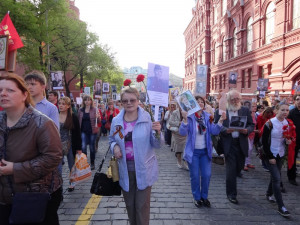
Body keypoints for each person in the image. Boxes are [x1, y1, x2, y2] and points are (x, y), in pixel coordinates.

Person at [0, 72, 63, 225]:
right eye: (0, 90)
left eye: (10, 90)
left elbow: (53, 157)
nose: (3, 93)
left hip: (35, 197)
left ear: (24, 95)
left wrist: (16, 169)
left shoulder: (42, 123)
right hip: (4, 196)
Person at [109, 87, 161, 225]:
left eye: (132, 100)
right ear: (121, 102)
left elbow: (156, 145)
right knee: (130, 206)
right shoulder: (116, 121)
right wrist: (115, 147)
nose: (129, 103)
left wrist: (158, 133)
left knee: (141, 207)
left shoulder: (148, 118)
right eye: (125, 100)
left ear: (138, 101)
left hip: (144, 169)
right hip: (125, 170)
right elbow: (111, 140)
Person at [180, 96, 226, 208]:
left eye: (202, 102)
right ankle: (197, 197)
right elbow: (182, 132)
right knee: (195, 176)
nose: (200, 103)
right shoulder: (189, 116)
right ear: (193, 104)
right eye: (197, 102)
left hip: (205, 152)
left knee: (206, 175)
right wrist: (185, 120)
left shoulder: (207, 116)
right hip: (193, 152)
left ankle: (204, 197)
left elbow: (214, 131)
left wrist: (220, 120)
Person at [214, 90, 254, 204]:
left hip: (241, 142)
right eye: (233, 99)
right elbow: (217, 125)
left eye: (237, 99)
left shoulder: (245, 110)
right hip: (229, 143)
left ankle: (235, 176)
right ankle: (231, 194)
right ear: (228, 100)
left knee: (239, 166)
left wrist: (247, 130)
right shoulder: (221, 111)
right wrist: (226, 130)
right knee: (231, 170)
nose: (236, 101)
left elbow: (251, 124)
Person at [262, 101, 295, 217]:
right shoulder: (270, 123)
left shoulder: (289, 123)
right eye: (282, 110)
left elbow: (289, 138)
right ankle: (281, 206)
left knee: (275, 176)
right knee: (277, 178)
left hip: (280, 154)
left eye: (287, 110)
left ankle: (268, 193)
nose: (285, 112)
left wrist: (289, 141)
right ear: (276, 111)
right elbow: (264, 142)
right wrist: (270, 157)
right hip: (270, 154)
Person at [58, 96, 82, 192]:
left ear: (68, 106)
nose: (61, 106)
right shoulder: (55, 115)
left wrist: (79, 148)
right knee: (57, 167)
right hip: (57, 144)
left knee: (71, 165)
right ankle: (58, 185)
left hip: (70, 144)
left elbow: (77, 133)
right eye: (59, 103)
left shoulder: (73, 117)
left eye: (63, 104)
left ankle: (72, 183)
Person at [78, 95, 100, 170]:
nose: (87, 102)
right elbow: (78, 121)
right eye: (85, 100)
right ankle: (85, 163)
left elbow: (99, 121)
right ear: (83, 101)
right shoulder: (80, 110)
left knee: (91, 147)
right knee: (83, 147)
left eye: (88, 100)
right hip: (83, 131)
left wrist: (98, 117)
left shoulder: (94, 109)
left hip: (92, 131)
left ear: (91, 101)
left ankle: (92, 162)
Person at [287, 94, 300, 186]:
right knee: (292, 158)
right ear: (295, 101)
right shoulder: (291, 113)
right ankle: (291, 177)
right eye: (298, 99)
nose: (299, 101)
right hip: (294, 140)